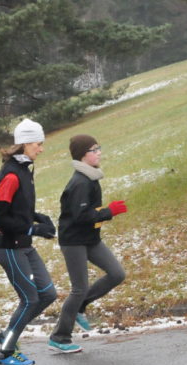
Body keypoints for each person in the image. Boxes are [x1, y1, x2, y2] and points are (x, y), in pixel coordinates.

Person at [48, 134, 128, 353]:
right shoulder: (80, 182)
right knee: (79, 288)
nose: (99, 152)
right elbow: (80, 216)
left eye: (98, 147)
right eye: (94, 149)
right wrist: (107, 212)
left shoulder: (90, 178)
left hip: (90, 239)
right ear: (83, 155)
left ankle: (82, 305)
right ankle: (59, 337)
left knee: (117, 273)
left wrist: (104, 213)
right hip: (73, 241)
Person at [0, 118, 57, 365]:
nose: (41, 149)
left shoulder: (24, 169)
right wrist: (34, 228)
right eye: (38, 144)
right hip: (8, 247)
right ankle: (6, 352)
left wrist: (40, 218)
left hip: (23, 244)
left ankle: (7, 334)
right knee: (30, 299)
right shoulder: (10, 175)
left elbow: (18, 209)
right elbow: (0, 217)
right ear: (26, 143)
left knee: (47, 293)